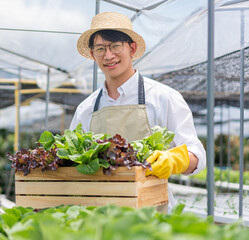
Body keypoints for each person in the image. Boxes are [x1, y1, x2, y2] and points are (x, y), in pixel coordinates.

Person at [70, 12, 206, 212]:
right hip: (99, 216)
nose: (108, 55)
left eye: (115, 46)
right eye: (100, 49)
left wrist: (176, 159)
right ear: (92, 55)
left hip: (153, 215)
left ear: (132, 48)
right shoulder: (85, 109)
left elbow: (198, 156)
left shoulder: (163, 97)